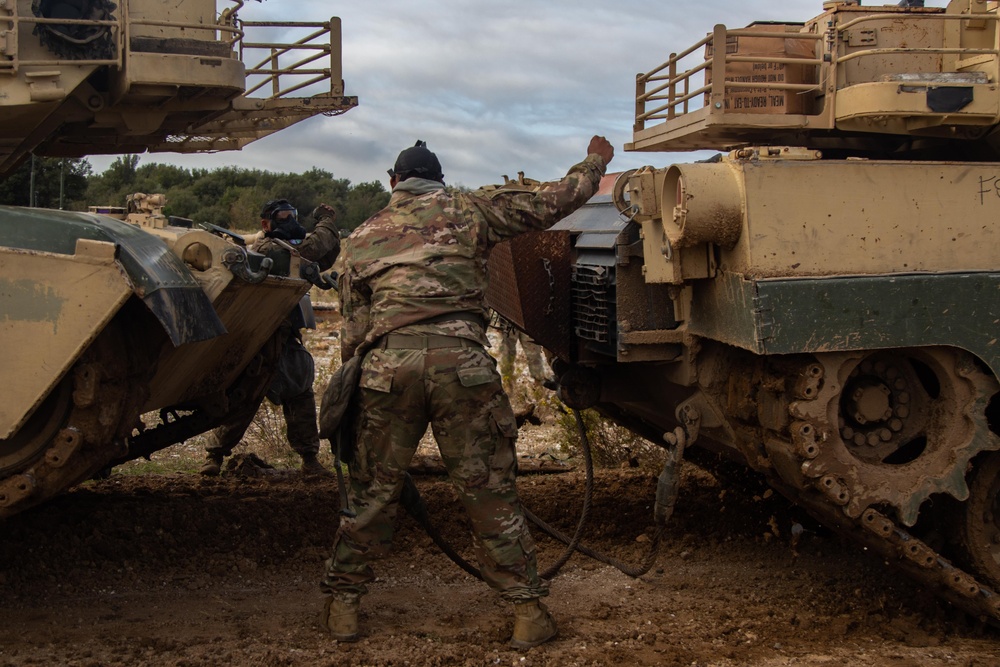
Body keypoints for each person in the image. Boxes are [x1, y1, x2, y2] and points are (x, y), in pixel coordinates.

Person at [320, 136, 614, 648]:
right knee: (488, 493)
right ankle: (528, 612)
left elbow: (353, 332)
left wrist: (363, 398)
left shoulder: (363, 235)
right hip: (464, 368)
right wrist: (596, 161)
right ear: (437, 179)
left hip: (389, 369)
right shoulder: (470, 209)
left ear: (393, 182)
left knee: (372, 493)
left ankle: (344, 607)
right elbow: (556, 200)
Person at [199, 199, 341, 477]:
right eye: (283, 217)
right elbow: (312, 248)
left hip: (284, 339)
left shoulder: (286, 248)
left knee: (299, 392)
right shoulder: (267, 249)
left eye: (292, 216)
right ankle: (214, 455)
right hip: (258, 341)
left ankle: (309, 458)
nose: (289, 222)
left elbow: (324, 253)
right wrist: (325, 220)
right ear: (266, 224)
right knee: (243, 398)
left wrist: (328, 232)